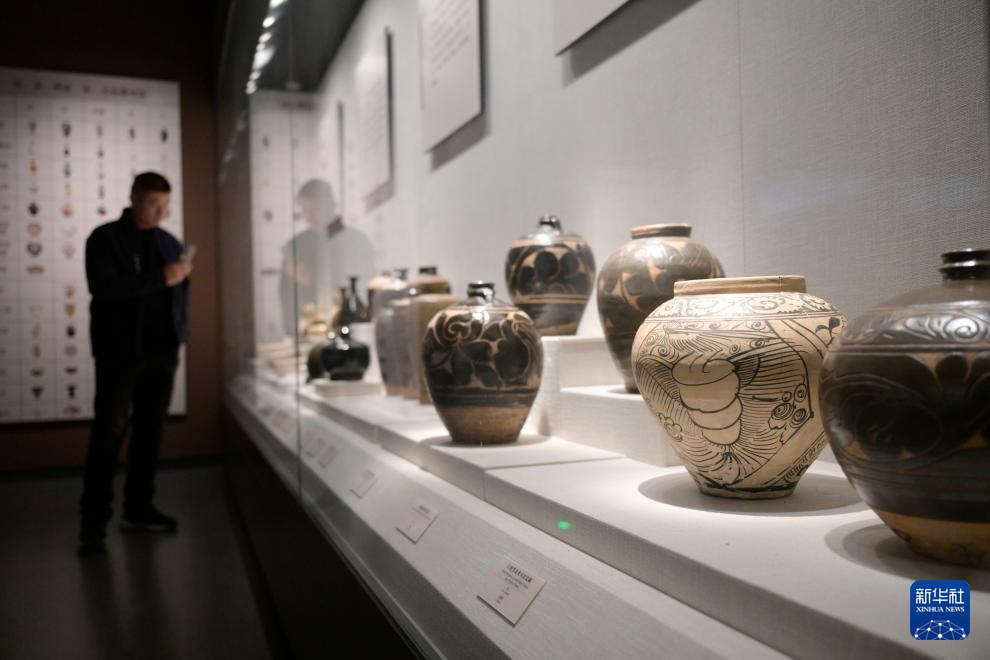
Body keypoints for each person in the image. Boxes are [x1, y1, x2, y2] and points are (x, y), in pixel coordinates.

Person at [78, 172, 192, 556]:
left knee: (150, 432)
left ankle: (138, 508)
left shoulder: (168, 242)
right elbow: (105, 288)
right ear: (134, 198)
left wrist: (179, 334)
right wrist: (162, 277)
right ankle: (93, 522)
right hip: (119, 353)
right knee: (109, 432)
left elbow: (181, 296)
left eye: (166, 205)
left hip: (162, 353)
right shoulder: (104, 239)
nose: (161, 212)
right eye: (154, 204)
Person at [278, 178, 374, 338]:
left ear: (331, 203)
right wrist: (292, 331)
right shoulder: (296, 246)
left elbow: (366, 287)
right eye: (305, 209)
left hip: (352, 328)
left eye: (316, 207)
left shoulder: (357, 241)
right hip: (310, 332)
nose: (310, 215)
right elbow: (287, 298)